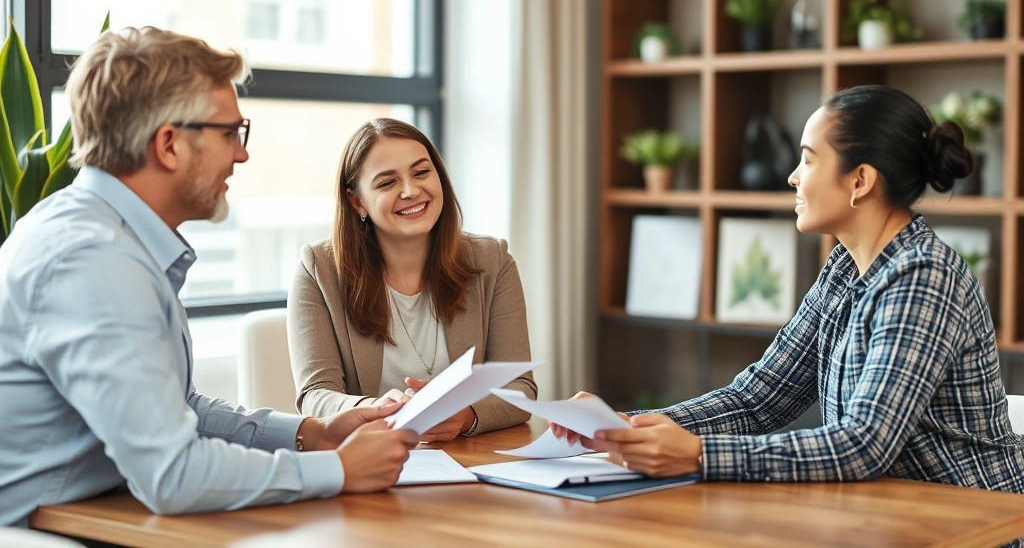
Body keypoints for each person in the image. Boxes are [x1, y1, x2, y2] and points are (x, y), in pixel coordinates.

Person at [0, 27, 419, 528]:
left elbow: (178, 408)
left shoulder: (105, 236)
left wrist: (314, 433)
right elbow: (172, 474)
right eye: (229, 133)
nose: (241, 155)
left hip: (91, 518)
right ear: (170, 144)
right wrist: (339, 469)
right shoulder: (94, 259)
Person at [554, 85, 1024, 492]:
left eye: (808, 159)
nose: (792, 176)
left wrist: (699, 456)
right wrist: (625, 426)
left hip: (973, 523)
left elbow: (864, 444)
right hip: (884, 516)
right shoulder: (844, 269)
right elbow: (759, 399)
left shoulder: (924, 276)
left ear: (860, 180)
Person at [288, 118, 536, 441]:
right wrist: (376, 408)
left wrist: (467, 415)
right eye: (387, 183)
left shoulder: (493, 261)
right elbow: (315, 395)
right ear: (356, 200)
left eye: (421, 173)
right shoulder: (318, 271)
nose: (410, 191)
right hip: (370, 459)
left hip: (471, 463)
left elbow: (520, 387)